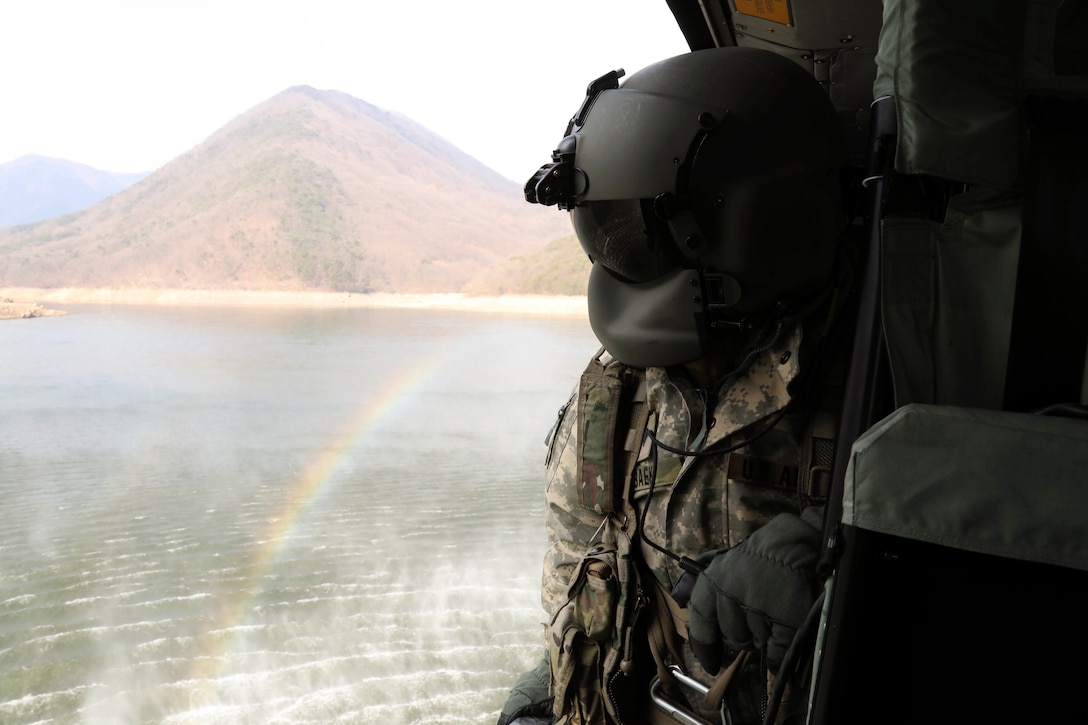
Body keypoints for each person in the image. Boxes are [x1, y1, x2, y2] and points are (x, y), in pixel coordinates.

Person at [500, 46, 854, 725]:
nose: (622, 255)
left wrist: (835, 583)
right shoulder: (613, 402)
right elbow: (583, 600)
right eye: (613, 233)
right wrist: (545, 699)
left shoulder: (889, 382)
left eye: (647, 235)